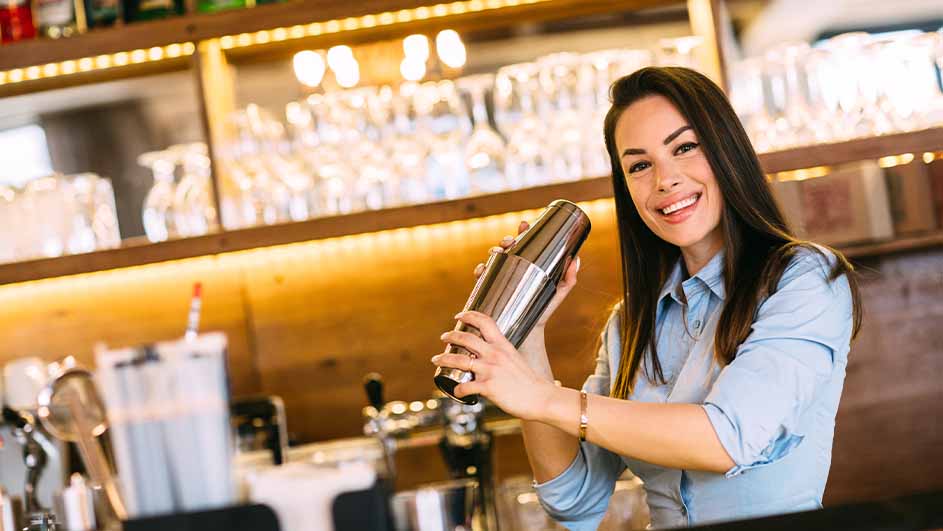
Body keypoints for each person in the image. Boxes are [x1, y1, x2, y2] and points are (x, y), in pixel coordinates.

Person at [431, 66, 862, 529]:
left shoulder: (805, 279)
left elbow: (729, 439)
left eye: (685, 148)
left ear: (726, 151)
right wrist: (528, 335)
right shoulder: (631, 324)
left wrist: (540, 399)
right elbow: (574, 501)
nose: (664, 179)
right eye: (639, 165)